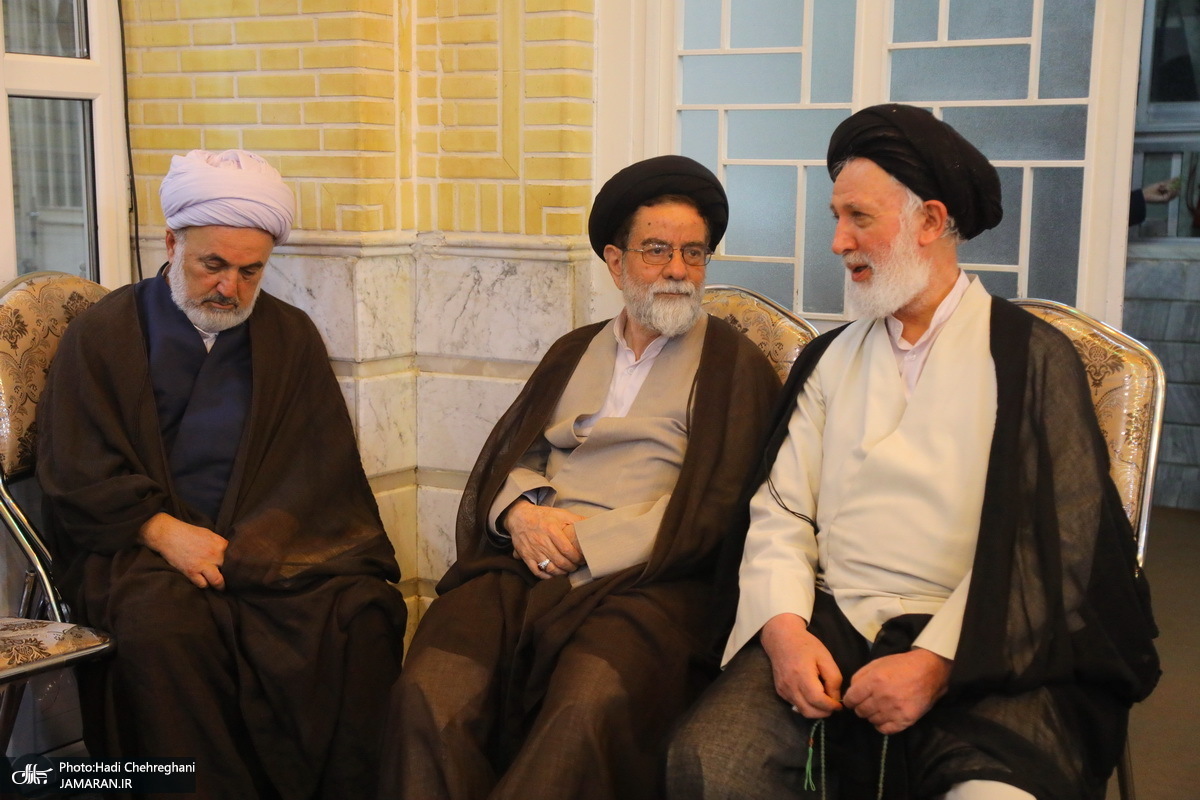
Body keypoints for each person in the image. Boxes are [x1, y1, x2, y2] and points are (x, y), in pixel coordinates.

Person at [667, 104, 1160, 800]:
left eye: (858, 218)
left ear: (930, 221)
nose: (837, 241)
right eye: (836, 217)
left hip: (985, 635)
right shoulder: (830, 359)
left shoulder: (1029, 357)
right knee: (709, 761)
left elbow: (1055, 545)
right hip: (831, 623)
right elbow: (779, 510)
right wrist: (783, 631)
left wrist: (936, 662)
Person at [381, 155, 780, 800]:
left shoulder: (735, 366)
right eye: (657, 251)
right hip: (529, 562)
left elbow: (718, 503)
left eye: (693, 253)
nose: (678, 270)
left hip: (651, 580)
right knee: (430, 690)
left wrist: (587, 545)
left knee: (583, 709)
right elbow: (516, 456)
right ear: (615, 262)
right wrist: (521, 516)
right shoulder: (575, 350)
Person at [38, 149, 407, 800]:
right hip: (138, 547)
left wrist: (260, 544)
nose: (230, 288)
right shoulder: (104, 334)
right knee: (165, 627)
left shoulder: (289, 336)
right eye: (213, 265)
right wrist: (163, 532)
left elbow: (319, 472)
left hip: (265, 545)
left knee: (361, 612)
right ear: (172, 243)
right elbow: (75, 468)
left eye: (250, 271)